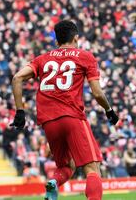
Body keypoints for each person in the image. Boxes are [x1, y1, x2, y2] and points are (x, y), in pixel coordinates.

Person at [11, 20, 119, 200]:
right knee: (92, 168)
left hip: (48, 122)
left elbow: (17, 78)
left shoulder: (42, 59)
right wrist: (109, 110)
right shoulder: (85, 56)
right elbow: (97, 93)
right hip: (72, 116)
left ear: (56, 41)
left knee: (66, 166)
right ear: (76, 38)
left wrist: (20, 112)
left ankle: (54, 183)